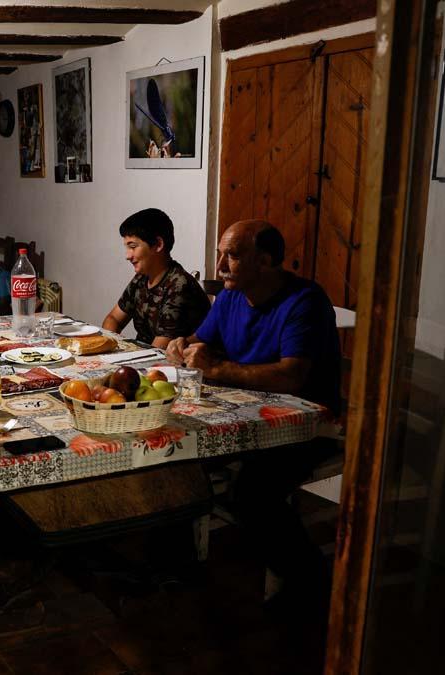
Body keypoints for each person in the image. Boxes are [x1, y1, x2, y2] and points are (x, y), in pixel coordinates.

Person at [166, 219, 342, 607]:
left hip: (307, 427)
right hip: (246, 415)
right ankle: (176, 563)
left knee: (253, 493)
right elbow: (201, 341)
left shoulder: (305, 301)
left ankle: (312, 584)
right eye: (220, 255)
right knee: (173, 454)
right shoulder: (231, 295)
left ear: (265, 261)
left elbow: (293, 374)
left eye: (232, 255)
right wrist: (183, 345)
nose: (220, 266)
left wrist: (219, 369)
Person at [102, 208, 210, 348]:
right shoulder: (141, 278)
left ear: (158, 244)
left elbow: (159, 351)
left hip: (172, 365)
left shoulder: (179, 285)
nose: (127, 256)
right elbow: (113, 319)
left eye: (133, 247)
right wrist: (112, 346)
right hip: (145, 357)